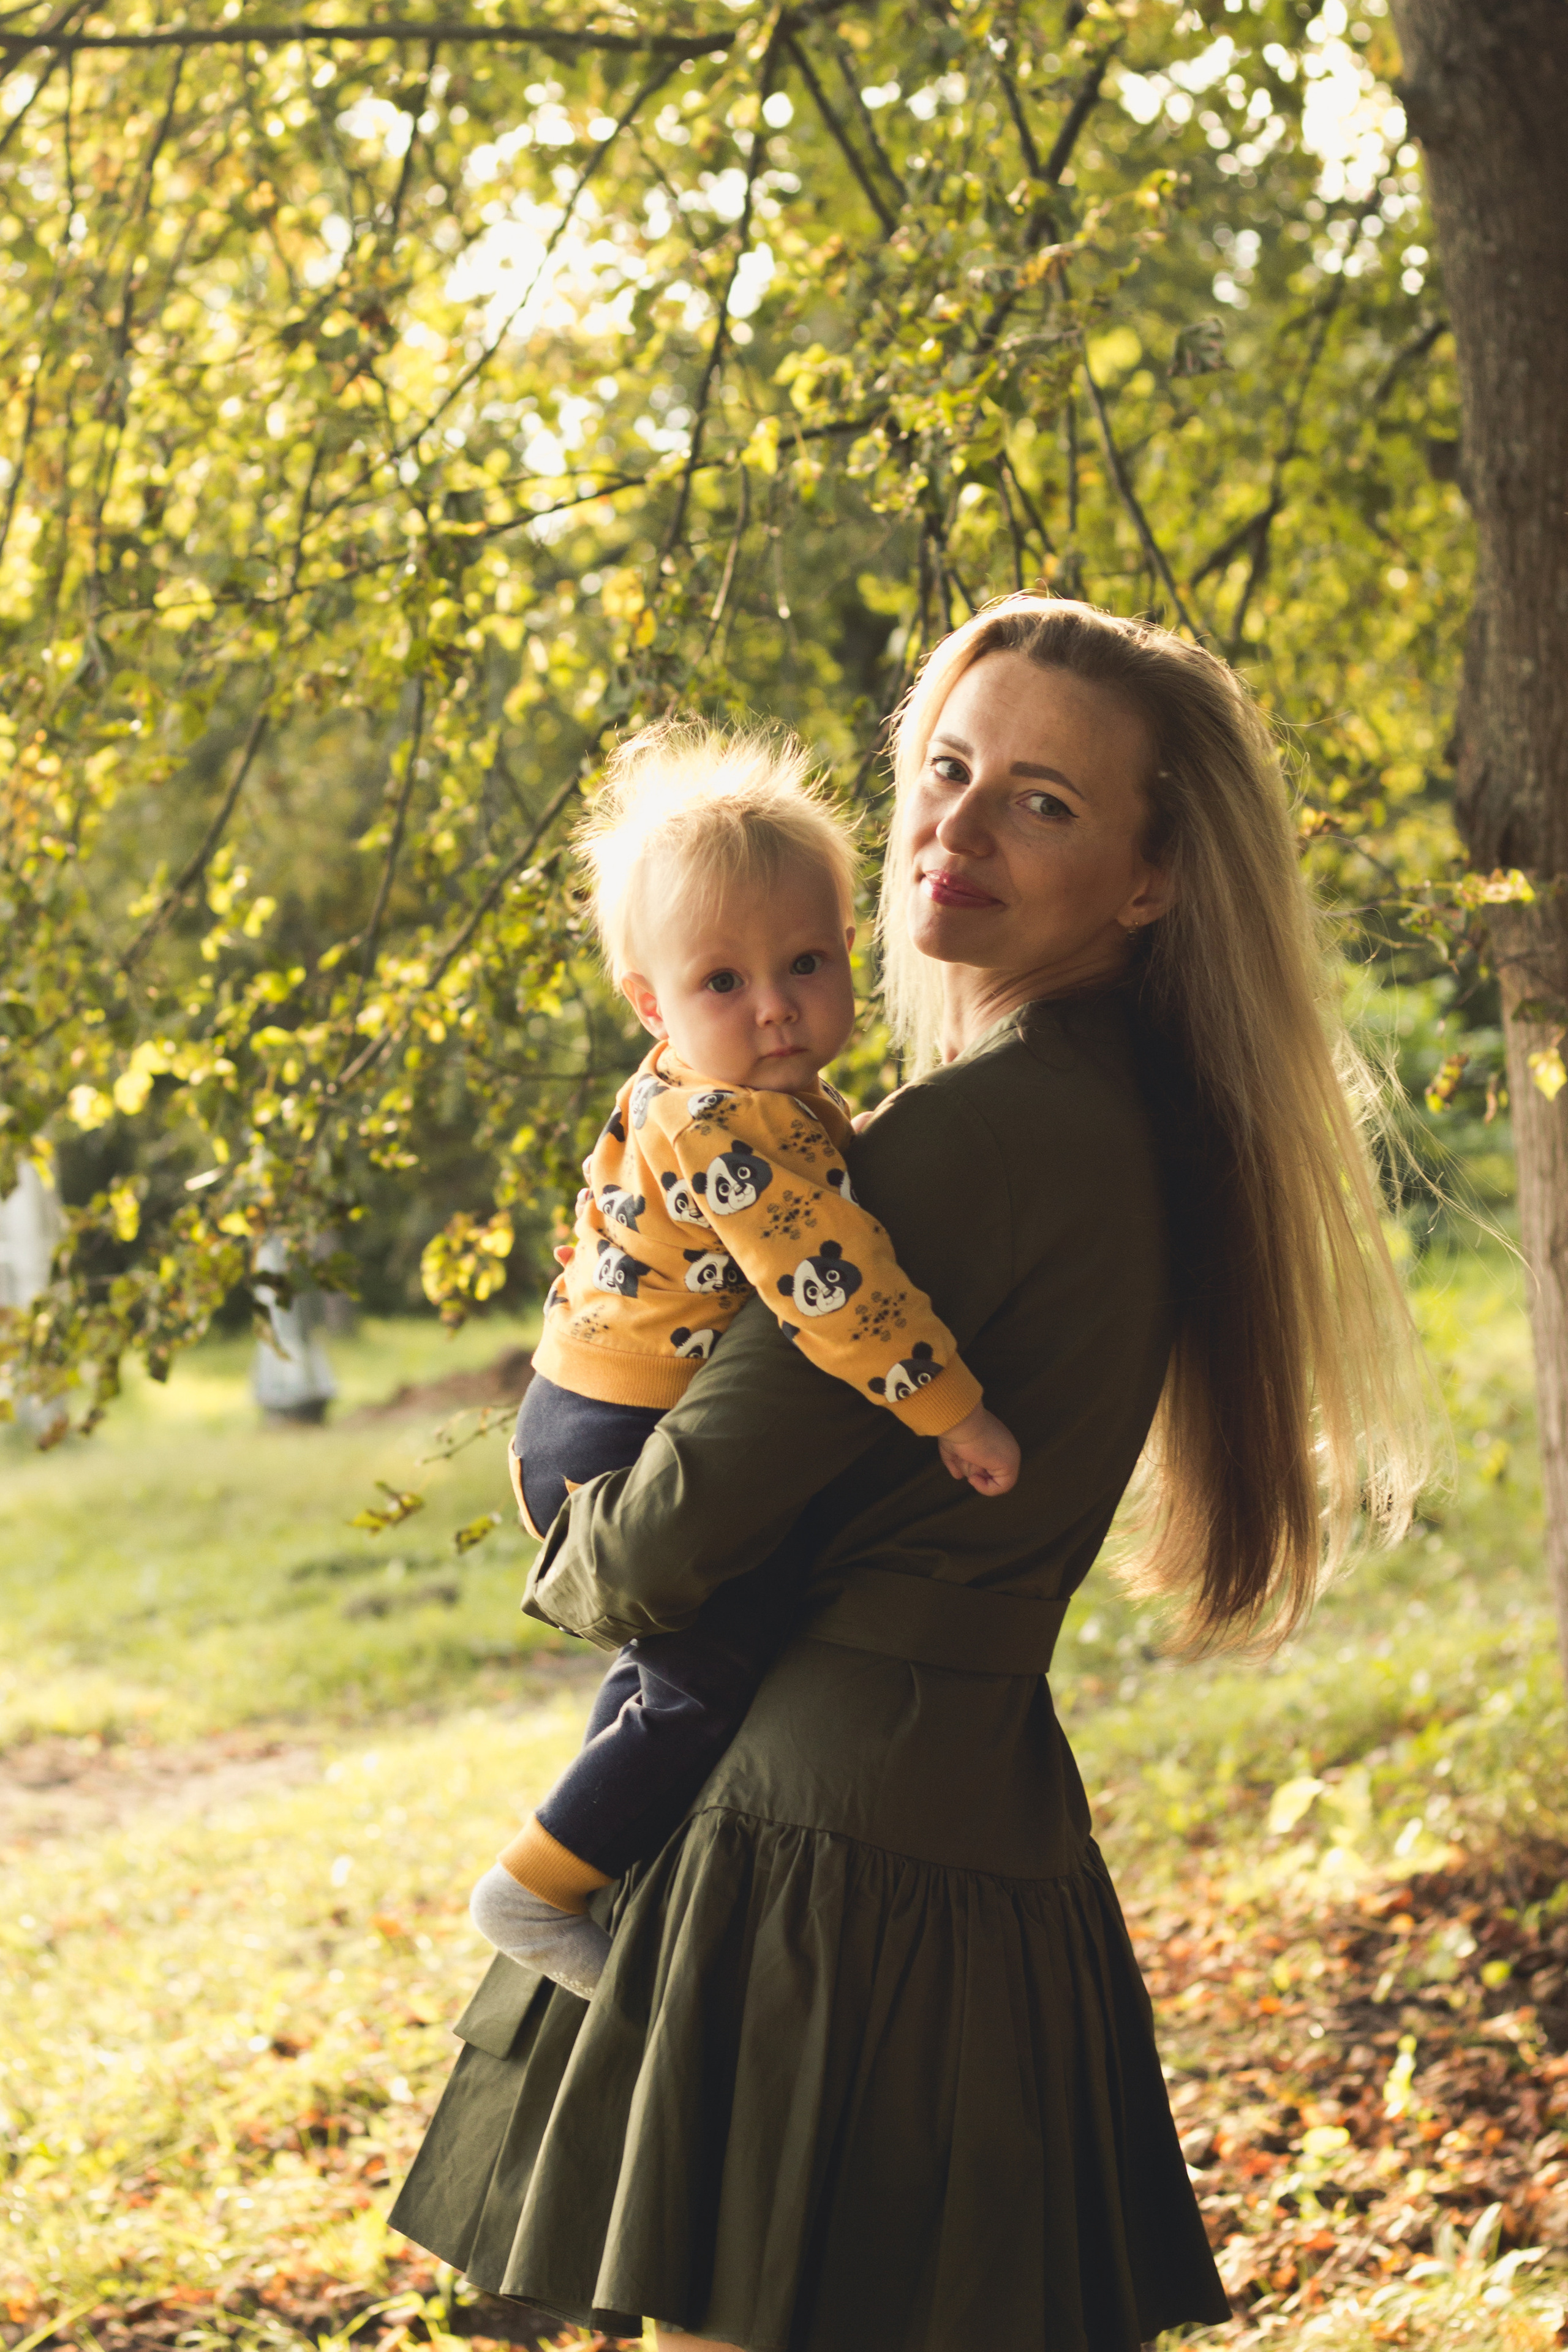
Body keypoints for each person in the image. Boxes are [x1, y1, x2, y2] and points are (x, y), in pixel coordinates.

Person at [391, 597, 1425, 2352]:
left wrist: (571, 1542)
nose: (953, 828)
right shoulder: (1137, 1113)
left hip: (816, 1843)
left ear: (1151, 877)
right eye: (946, 770)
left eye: (1041, 801)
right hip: (979, 1809)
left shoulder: (963, 1138)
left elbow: (658, 1551)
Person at [471, 721, 1018, 1998]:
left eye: (807, 962)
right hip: (611, 1437)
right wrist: (953, 1411)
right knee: (715, 1663)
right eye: (723, 983)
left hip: (579, 1408)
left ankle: (600, 1843)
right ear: (652, 1004)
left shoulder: (713, 1091)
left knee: (671, 1662)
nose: (774, 1004)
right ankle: (538, 1884)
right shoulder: (724, 1124)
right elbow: (831, 1289)